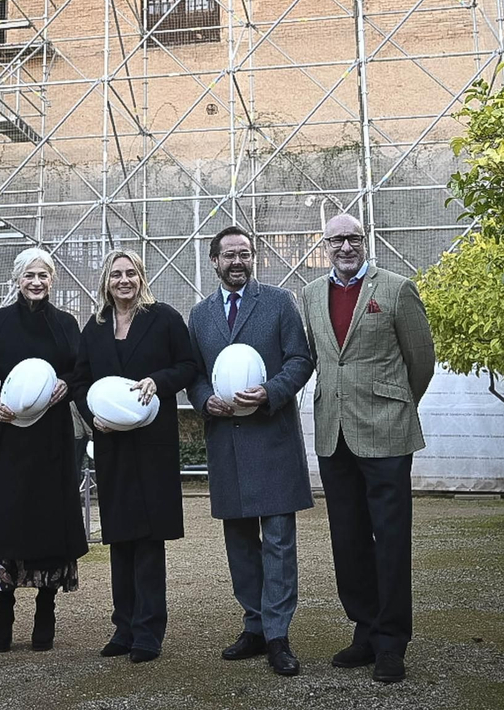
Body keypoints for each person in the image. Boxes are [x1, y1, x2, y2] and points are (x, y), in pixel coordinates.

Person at [298, 213, 435, 685]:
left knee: (391, 540)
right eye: (336, 240)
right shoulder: (311, 294)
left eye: (353, 238)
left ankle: (392, 642)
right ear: (325, 246)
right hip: (333, 432)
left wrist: (395, 405)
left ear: (365, 240)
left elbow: (421, 360)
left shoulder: (396, 289)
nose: (346, 247)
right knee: (348, 538)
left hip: (387, 432)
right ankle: (365, 630)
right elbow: (320, 358)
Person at [186, 225, 316, 677]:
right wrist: (205, 399)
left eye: (244, 253)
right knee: (240, 542)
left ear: (253, 257)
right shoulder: (200, 315)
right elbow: (194, 373)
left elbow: (301, 360)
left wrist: (269, 392)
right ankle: (255, 625)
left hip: (272, 438)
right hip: (227, 442)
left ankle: (278, 635)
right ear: (215, 261)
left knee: (278, 542)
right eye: (229, 255)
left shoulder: (279, 302)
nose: (237, 261)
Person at [74, 248, 198, 664]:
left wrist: (158, 381)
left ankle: (148, 631)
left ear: (141, 277)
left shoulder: (164, 319)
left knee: (148, 538)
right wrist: (93, 416)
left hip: (152, 443)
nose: (123, 280)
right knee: (120, 536)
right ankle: (123, 627)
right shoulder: (95, 327)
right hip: (112, 443)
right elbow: (80, 380)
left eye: (130, 273)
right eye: (116, 275)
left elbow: (188, 366)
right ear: (106, 282)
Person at [0, 247, 88, 653]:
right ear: (18, 280)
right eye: (29, 275)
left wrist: (66, 383)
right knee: (7, 522)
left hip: (53, 437)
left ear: (52, 280)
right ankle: (3, 611)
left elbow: (79, 369)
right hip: (9, 435)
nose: (37, 282)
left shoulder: (66, 324)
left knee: (50, 521)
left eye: (43, 275)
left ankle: (45, 609)